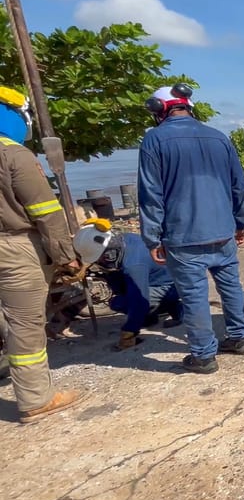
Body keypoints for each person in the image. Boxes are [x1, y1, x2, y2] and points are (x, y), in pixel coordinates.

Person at [138, 84, 244, 374]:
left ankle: (203, 355)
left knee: (194, 295)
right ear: (187, 105)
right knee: (231, 286)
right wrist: (241, 222)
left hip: (183, 235)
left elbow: (151, 195)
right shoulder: (219, 137)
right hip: (223, 229)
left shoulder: (154, 141)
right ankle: (239, 338)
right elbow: (238, 185)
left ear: (159, 110)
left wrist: (151, 237)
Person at [0, 85, 87, 422]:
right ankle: (36, 398)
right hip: (14, 247)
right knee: (25, 323)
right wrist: (66, 256)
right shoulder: (14, 154)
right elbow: (45, 211)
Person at [71, 219, 182, 350]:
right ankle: (150, 317)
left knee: (120, 303)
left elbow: (139, 301)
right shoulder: (124, 241)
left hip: (170, 287)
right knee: (122, 286)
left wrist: (129, 333)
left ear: (109, 252)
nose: (100, 262)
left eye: (100, 258)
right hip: (164, 280)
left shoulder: (134, 265)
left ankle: (178, 310)